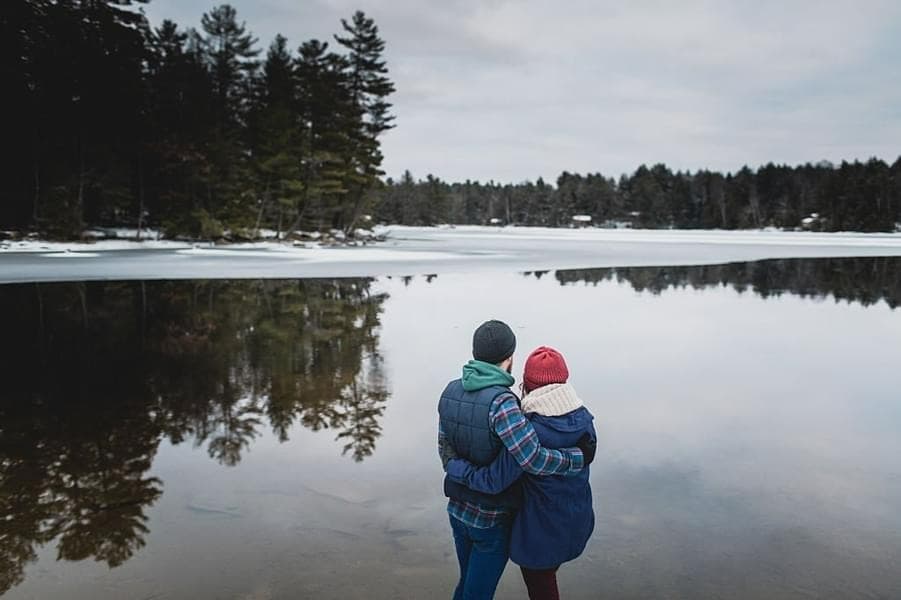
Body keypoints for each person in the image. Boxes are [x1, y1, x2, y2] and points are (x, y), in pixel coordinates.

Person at [438, 321, 595, 600]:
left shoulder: (449, 391)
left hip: (457, 510)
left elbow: (445, 447)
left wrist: (455, 470)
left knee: (466, 586)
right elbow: (530, 459)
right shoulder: (504, 403)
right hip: (490, 517)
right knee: (478, 594)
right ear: (509, 358)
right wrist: (577, 458)